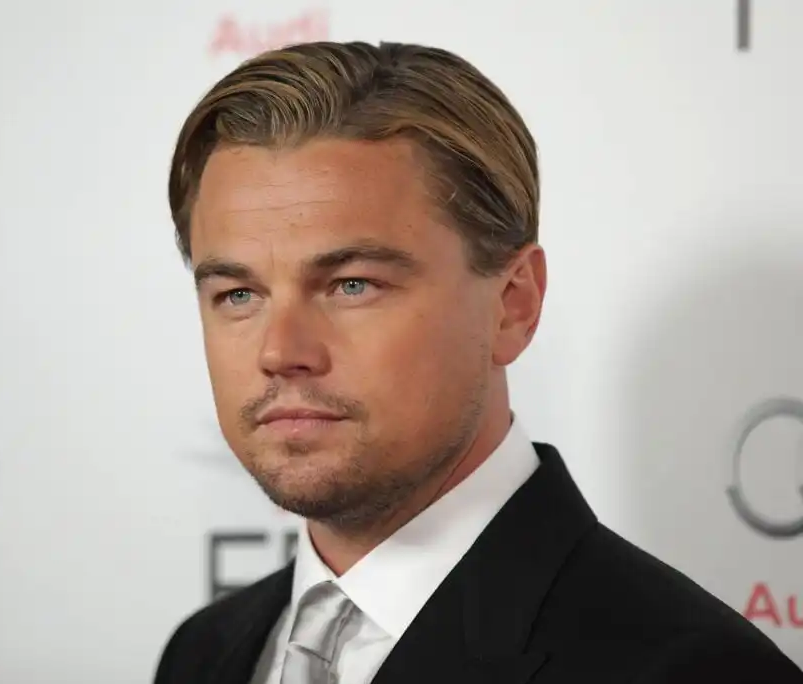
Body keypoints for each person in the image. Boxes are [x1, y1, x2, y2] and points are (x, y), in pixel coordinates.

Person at [152, 40, 803, 684]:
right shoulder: (202, 654)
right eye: (238, 294)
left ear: (512, 305)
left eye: (352, 284)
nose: (280, 351)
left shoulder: (694, 670)